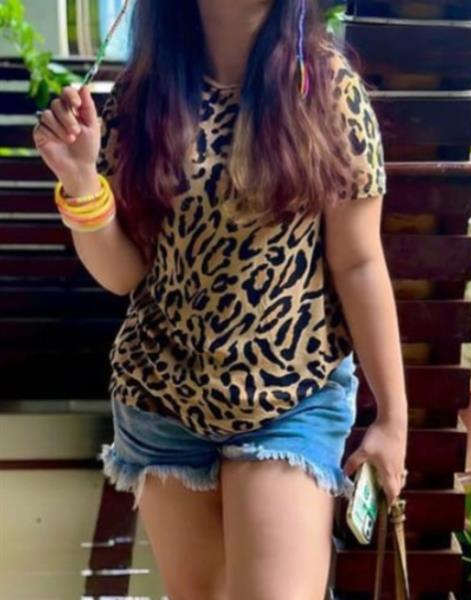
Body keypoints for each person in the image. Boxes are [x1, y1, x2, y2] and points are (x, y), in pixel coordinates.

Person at [32, 0, 409, 598]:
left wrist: (393, 418)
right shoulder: (142, 96)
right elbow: (125, 273)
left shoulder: (327, 89)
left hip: (290, 395)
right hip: (163, 394)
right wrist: (80, 184)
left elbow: (359, 262)